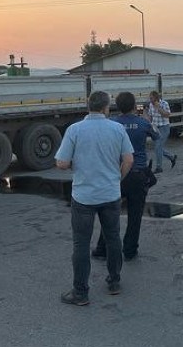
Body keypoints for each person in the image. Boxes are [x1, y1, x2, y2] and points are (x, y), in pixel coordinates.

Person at [56, 90, 134, 306]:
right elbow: (129, 159)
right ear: (106, 108)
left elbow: (61, 163)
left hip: (84, 196)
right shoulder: (117, 129)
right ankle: (114, 282)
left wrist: (77, 165)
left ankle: (80, 292)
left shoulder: (75, 130)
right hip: (110, 194)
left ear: (87, 105)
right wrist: (117, 179)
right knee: (113, 238)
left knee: (81, 244)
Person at [93, 91, 158, 262]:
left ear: (117, 106)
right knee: (135, 215)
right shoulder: (143, 123)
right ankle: (130, 250)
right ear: (134, 106)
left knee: (110, 213)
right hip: (138, 174)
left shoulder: (112, 123)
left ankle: (102, 248)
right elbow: (156, 135)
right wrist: (146, 118)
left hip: (118, 173)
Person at [144, 90, 177, 173]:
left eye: (151, 98)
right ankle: (172, 157)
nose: (150, 100)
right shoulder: (151, 105)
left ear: (156, 98)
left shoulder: (164, 103)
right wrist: (146, 117)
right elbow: (150, 116)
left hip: (164, 127)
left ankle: (159, 167)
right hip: (156, 128)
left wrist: (159, 108)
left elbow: (167, 115)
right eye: (150, 98)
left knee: (158, 147)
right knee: (158, 147)